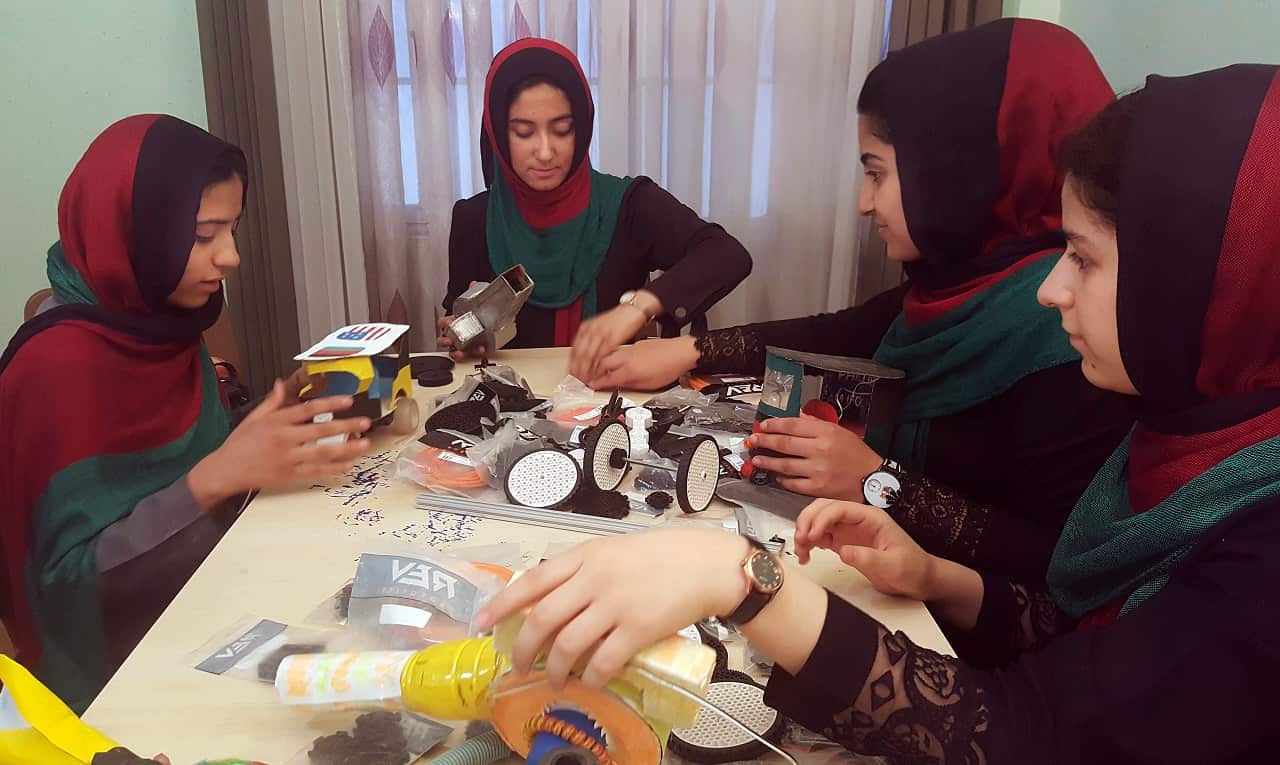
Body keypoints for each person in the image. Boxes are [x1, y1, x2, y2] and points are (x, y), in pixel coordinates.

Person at [477, 64, 1280, 763]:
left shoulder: (1253, 551)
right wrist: (936, 575)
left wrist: (744, 582)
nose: (1051, 289)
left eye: (1085, 258)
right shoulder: (1185, 429)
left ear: (1200, 278)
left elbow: (1030, 731)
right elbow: (1073, 625)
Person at [579, 19, 1133, 579]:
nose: (865, 204)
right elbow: (840, 332)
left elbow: (1058, 567)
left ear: (952, 169)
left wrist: (877, 480)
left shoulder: (1071, 330)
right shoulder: (960, 283)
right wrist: (689, 353)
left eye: (878, 174)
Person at [0, 115, 372, 711]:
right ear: (133, 229)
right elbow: (62, 591)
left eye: (232, 229)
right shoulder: (57, 366)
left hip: (205, 601)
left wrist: (252, 433)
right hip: (110, 685)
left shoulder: (160, 324)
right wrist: (218, 475)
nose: (231, 257)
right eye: (203, 235)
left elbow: (181, 468)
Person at [439, 38, 752, 374]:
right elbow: (459, 329)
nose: (545, 152)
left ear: (582, 130)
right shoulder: (474, 219)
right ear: (499, 136)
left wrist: (639, 307)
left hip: (611, 404)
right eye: (524, 132)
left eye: (562, 130)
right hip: (506, 410)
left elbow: (727, 255)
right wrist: (460, 336)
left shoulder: (629, 205)